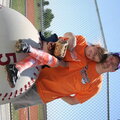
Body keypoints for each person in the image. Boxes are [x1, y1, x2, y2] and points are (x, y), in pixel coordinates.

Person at [11, 52, 120, 110]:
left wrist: (57, 91)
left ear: (113, 70)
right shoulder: (89, 58)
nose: (110, 62)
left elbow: (73, 101)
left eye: (114, 64)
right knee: (6, 84)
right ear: (109, 55)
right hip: (38, 72)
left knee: (10, 98)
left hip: (42, 94)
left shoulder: (96, 86)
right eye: (112, 58)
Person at [6, 32, 106, 88]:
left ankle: (19, 64)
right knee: (46, 57)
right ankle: (26, 54)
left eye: (93, 58)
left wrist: (58, 60)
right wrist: (72, 38)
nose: (91, 55)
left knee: (53, 62)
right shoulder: (82, 40)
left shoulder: (82, 62)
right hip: (54, 41)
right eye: (94, 52)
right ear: (96, 46)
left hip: (54, 56)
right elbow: (67, 35)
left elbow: (65, 65)